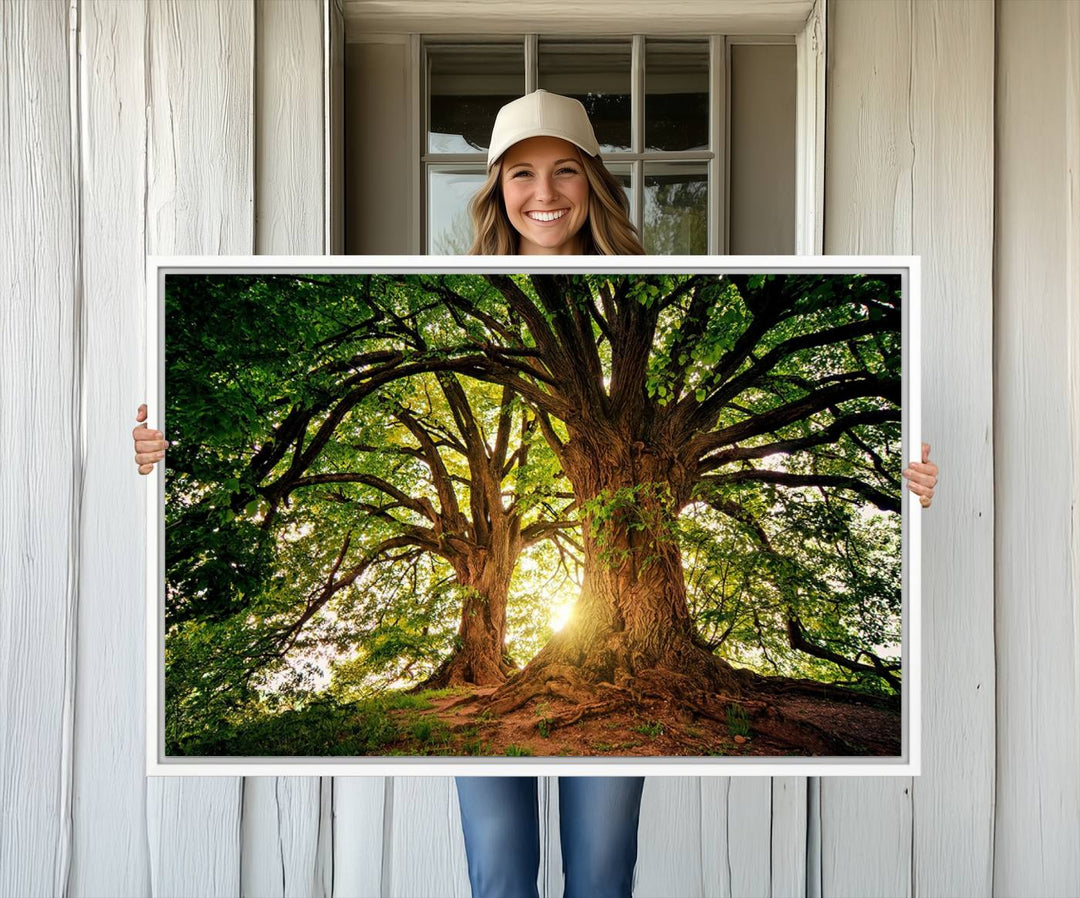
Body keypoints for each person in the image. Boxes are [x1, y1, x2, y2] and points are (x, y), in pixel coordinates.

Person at [132, 89, 940, 898]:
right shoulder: (460, 299)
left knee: (599, 877)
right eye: (521, 173)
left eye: (565, 171)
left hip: (615, 675)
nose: (544, 193)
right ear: (496, 189)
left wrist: (905, 483)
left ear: (594, 182)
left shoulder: (652, 288)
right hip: (510, 696)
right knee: (500, 878)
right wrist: (166, 455)